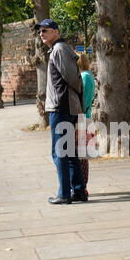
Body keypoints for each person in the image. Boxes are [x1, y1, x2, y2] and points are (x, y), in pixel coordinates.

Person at [35, 18, 87, 205]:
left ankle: (64, 193)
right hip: (63, 106)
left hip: (61, 107)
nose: (42, 34)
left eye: (46, 30)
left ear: (56, 32)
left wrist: (70, 101)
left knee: (60, 152)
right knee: (69, 152)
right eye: (40, 31)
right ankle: (79, 191)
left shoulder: (59, 49)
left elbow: (73, 78)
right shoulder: (58, 49)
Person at [76, 53, 96, 196]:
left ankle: (83, 186)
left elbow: (84, 100)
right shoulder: (87, 76)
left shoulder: (84, 77)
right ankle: (82, 184)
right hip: (85, 118)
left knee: (81, 156)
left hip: (82, 119)